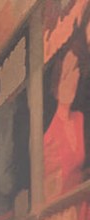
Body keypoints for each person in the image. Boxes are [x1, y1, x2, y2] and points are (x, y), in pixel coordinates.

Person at [44, 50, 86, 201]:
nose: (71, 80)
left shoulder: (79, 119)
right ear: (56, 84)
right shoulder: (48, 136)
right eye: (66, 74)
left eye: (75, 70)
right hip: (60, 214)